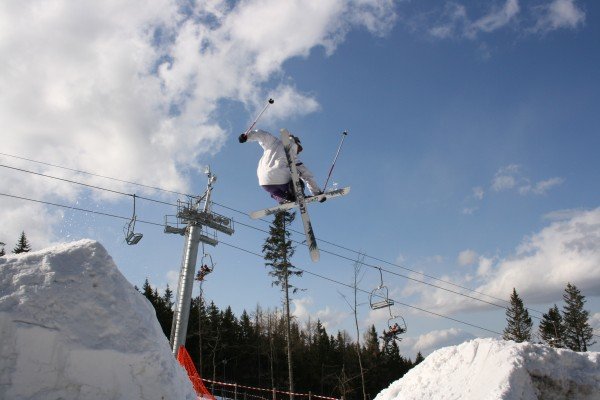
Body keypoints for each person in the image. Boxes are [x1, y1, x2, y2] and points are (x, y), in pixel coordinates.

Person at [239, 129, 324, 204]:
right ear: (296, 144)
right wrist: (317, 194)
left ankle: (282, 198)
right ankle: (296, 195)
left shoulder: (273, 142)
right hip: (280, 179)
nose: (298, 152)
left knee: (276, 192)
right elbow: (308, 176)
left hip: (264, 181)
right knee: (297, 179)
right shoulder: (294, 159)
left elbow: (262, 134)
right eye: (299, 150)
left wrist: (247, 136)